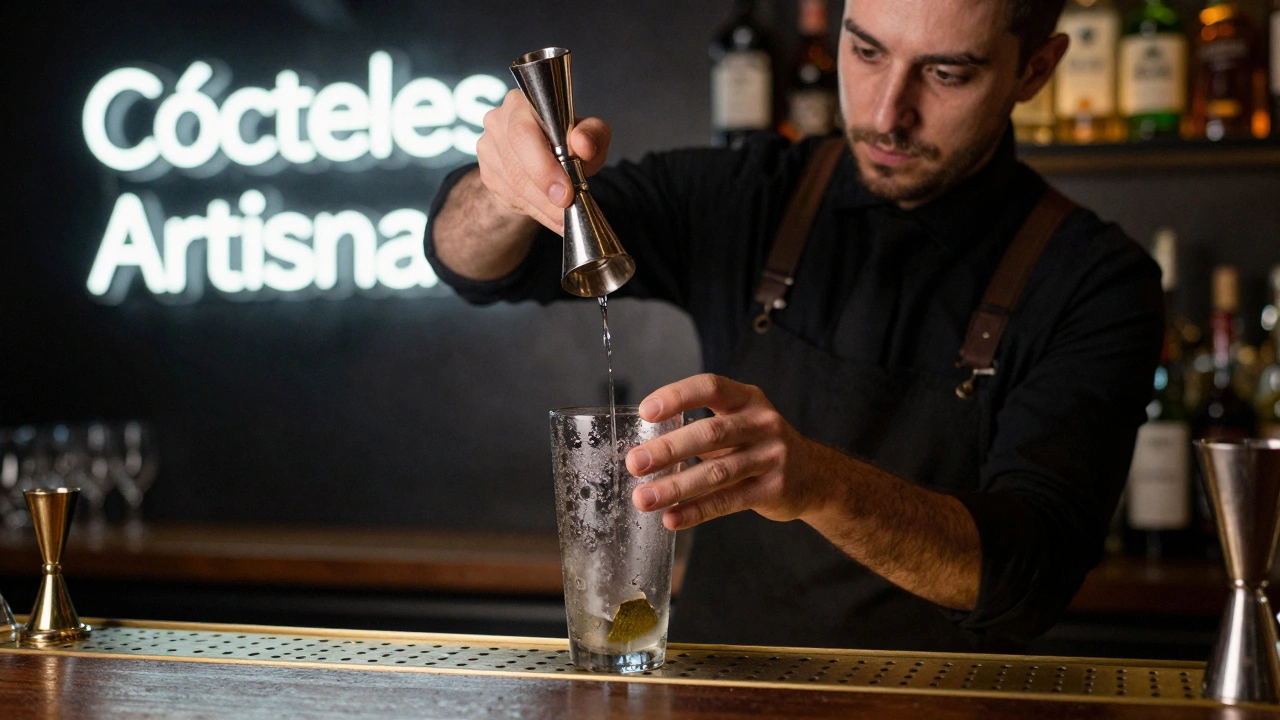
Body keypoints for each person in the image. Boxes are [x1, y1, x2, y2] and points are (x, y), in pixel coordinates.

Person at [425, 0, 1162, 653]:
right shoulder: (752, 194)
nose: (886, 111)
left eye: (946, 73)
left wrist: (819, 484)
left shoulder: (1094, 279)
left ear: (1036, 69)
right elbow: (474, 265)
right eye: (866, 51)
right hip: (721, 700)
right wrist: (503, 191)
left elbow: (1030, 577)